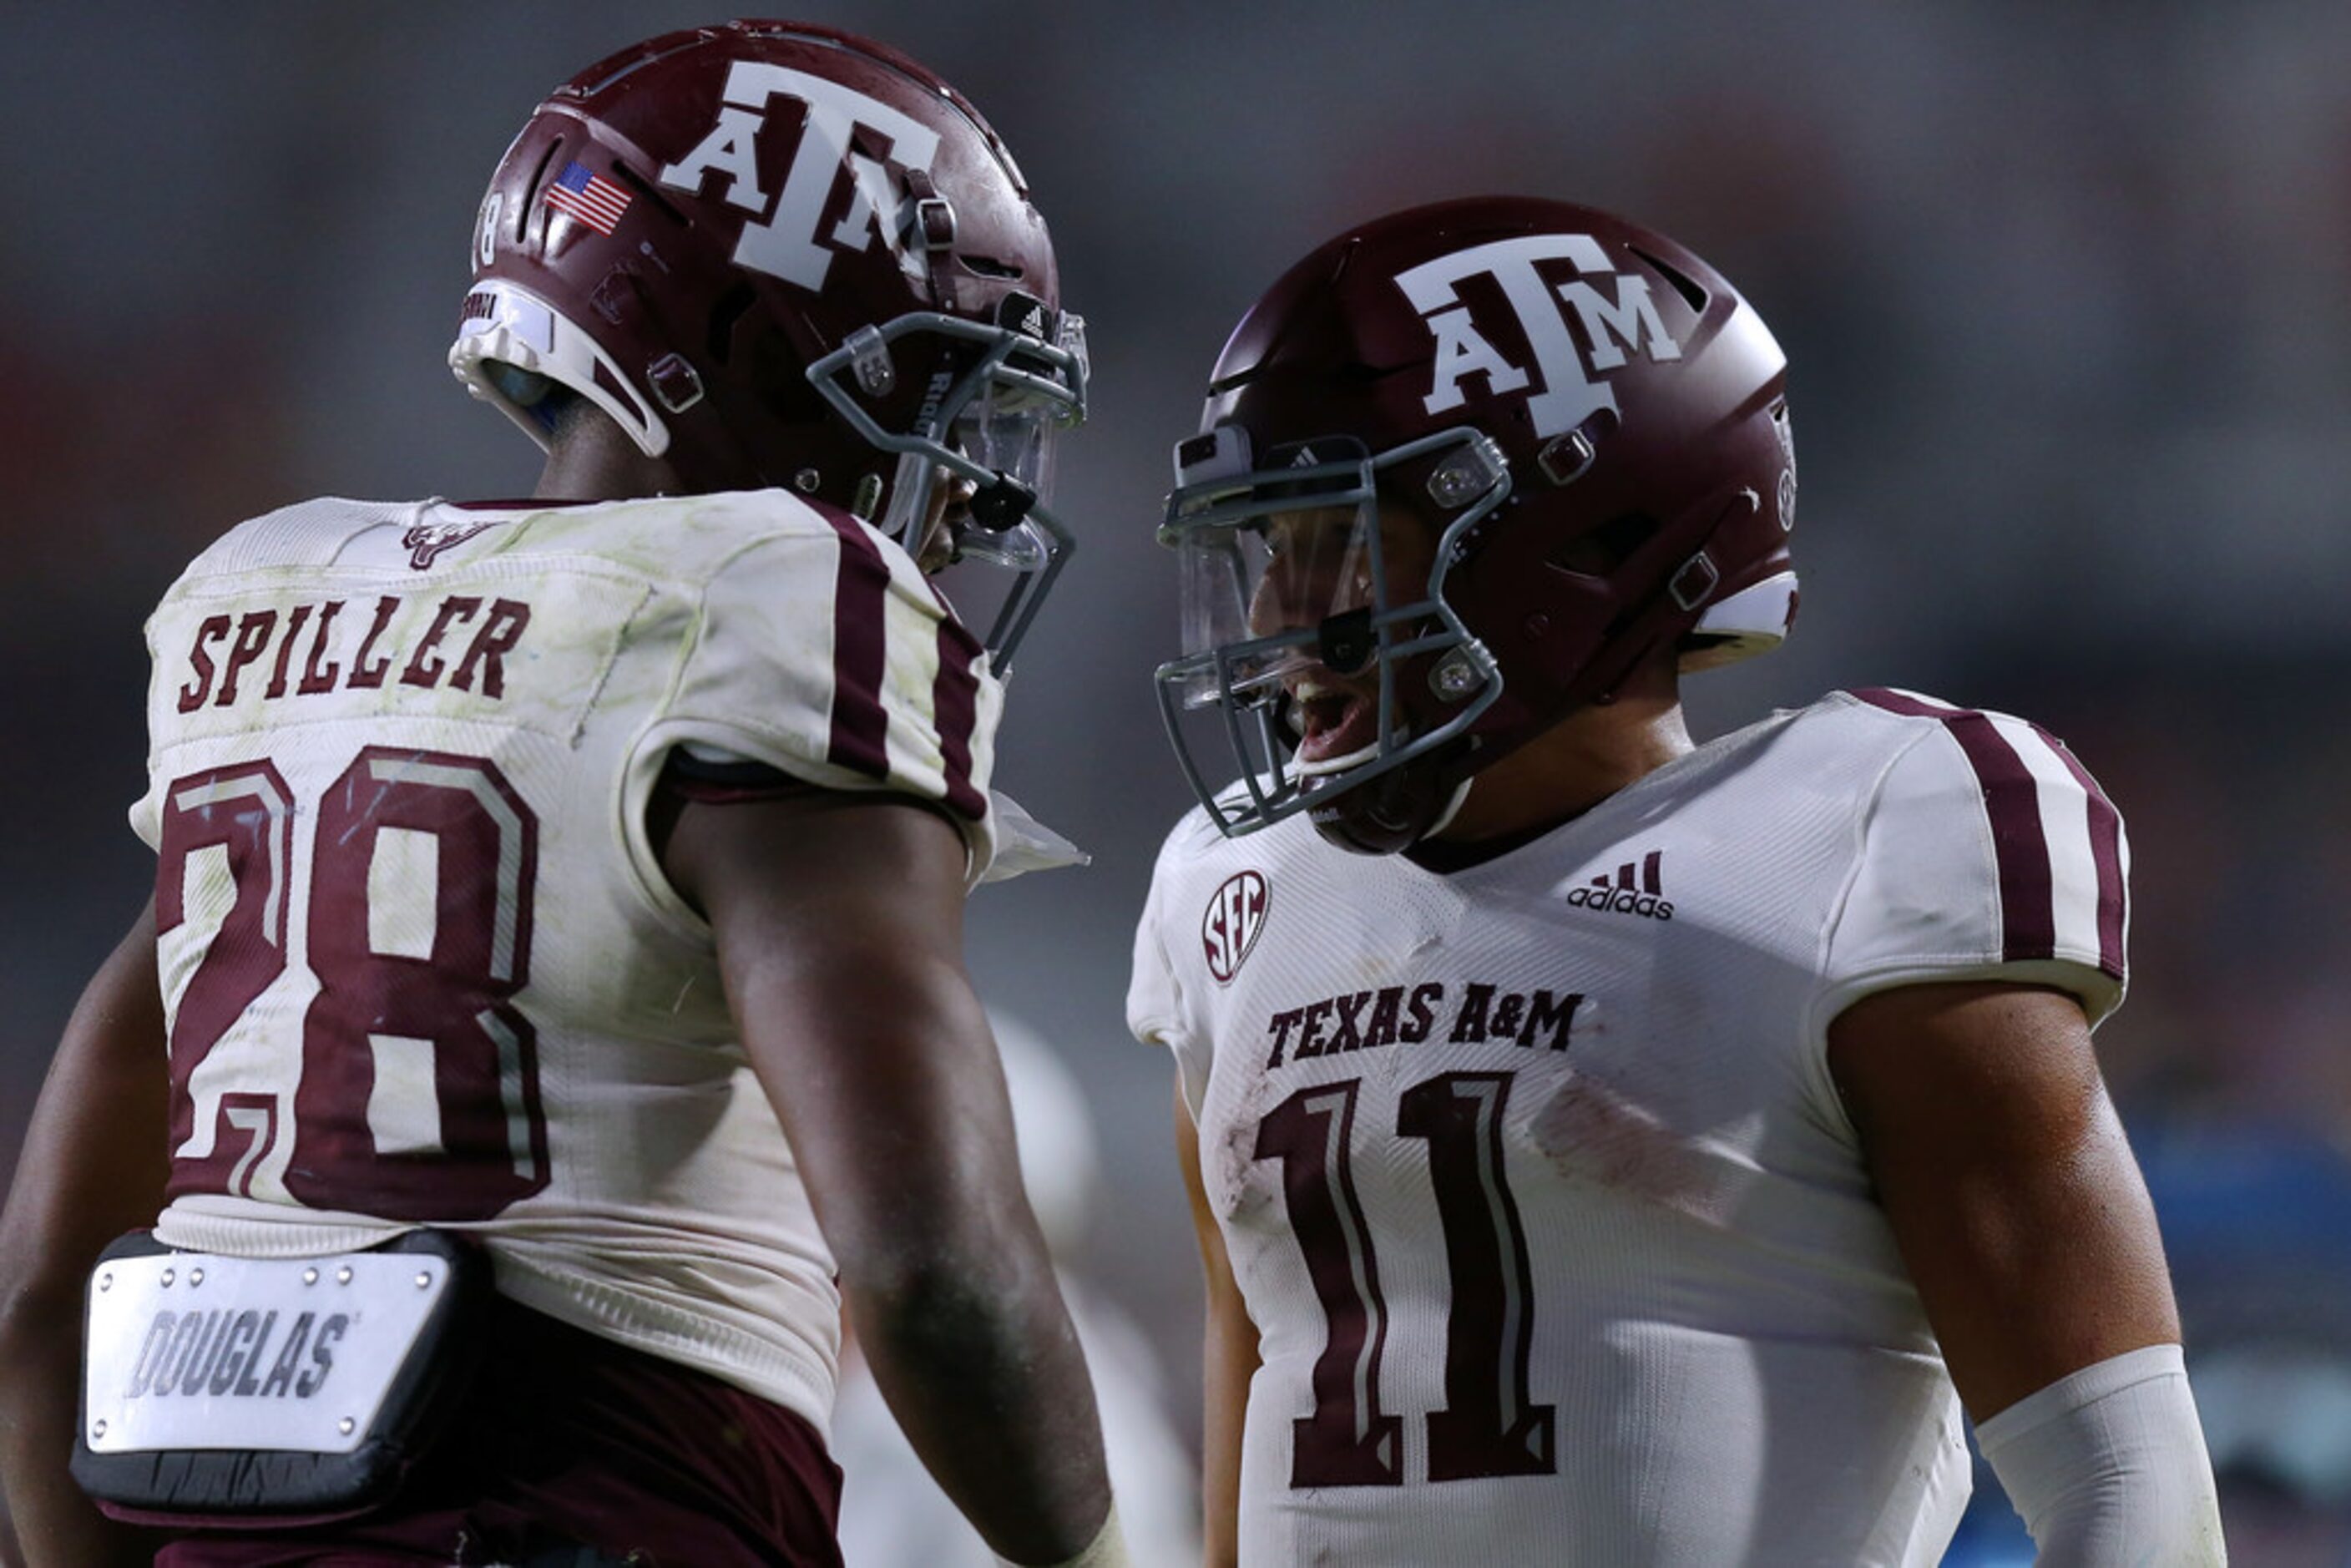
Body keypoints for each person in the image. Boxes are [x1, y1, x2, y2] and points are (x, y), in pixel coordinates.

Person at [0, 19, 1125, 1567]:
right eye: (929, 388)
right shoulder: (783, 596)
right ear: (745, 349)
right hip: (606, 1507)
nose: (964, 472)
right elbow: (931, 1263)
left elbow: (44, 1278)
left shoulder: (266, 603)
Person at [1127, 196, 2226, 1564]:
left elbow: (2127, 1492)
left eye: (1344, 541)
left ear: (1582, 538)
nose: (1281, 620)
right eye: (1267, 549)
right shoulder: (1233, 893)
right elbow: (1252, 1470)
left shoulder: (1857, 838)